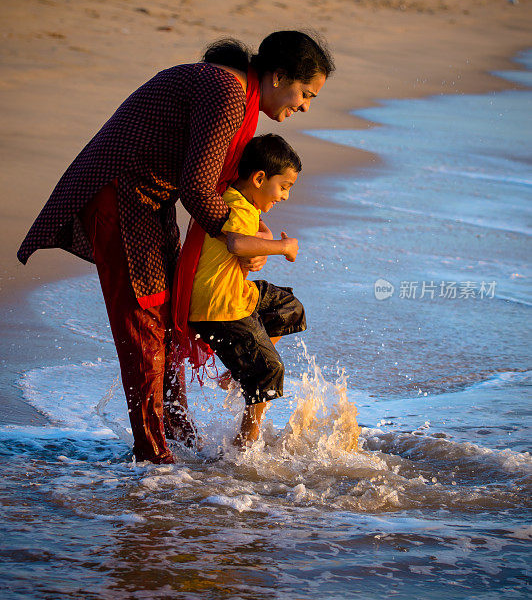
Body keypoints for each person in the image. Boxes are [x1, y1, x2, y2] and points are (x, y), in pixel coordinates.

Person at [17, 32, 334, 464]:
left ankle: (177, 439)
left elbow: (222, 186)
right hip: (122, 195)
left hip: (150, 201)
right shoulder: (228, 92)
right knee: (146, 320)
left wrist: (254, 231)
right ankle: (154, 459)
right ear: (278, 77)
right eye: (305, 94)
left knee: (165, 320)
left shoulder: (239, 95)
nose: (304, 106)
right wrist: (241, 240)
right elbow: (199, 188)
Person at [190, 134, 306, 447]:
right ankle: (245, 444)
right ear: (258, 178)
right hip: (220, 307)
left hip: (234, 294)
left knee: (289, 307)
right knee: (270, 369)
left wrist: (265, 245)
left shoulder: (240, 201)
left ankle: (238, 370)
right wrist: (282, 247)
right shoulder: (238, 208)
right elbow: (238, 243)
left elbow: (254, 232)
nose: (284, 196)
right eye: (283, 187)